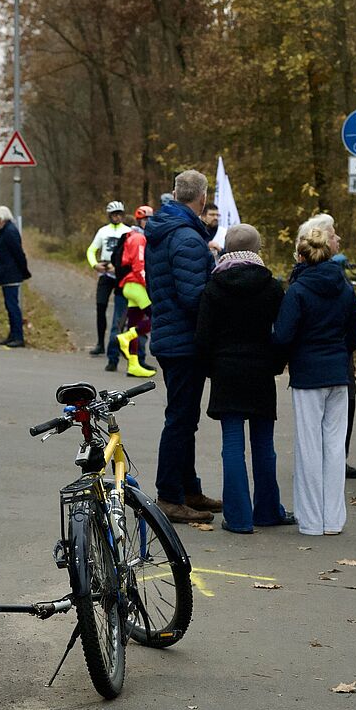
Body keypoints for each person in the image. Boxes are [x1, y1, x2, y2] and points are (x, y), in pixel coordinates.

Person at [195, 223, 293, 532]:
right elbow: (283, 333)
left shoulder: (213, 287)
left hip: (226, 370)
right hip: (260, 369)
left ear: (226, 249)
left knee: (232, 444)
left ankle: (238, 517)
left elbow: (203, 337)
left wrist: (212, 368)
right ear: (257, 250)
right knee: (264, 444)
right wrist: (276, 364)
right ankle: (268, 510)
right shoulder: (272, 287)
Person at [273, 226, 356, 535]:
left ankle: (312, 520)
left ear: (301, 257)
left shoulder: (298, 291)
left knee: (309, 447)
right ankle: (333, 520)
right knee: (335, 447)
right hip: (338, 373)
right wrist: (339, 351)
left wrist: (291, 355)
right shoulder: (344, 287)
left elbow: (283, 335)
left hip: (307, 375)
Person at [145, 170, 222, 523]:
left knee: (185, 418)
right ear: (202, 199)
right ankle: (169, 496)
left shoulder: (164, 231)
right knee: (180, 419)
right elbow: (194, 297)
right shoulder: (187, 238)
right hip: (183, 341)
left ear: (175, 195)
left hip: (169, 333)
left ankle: (189, 489)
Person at [295, 213, 356, 480]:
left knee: (326, 417)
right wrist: (342, 347)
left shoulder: (303, 282)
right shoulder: (335, 281)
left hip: (316, 360)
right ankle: (332, 463)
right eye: (333, 235)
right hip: (336, 357)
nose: (338, 239)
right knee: (336, 413)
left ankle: (324, 466)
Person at [86, 201, 133, 368]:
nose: (117, 217)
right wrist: (95, 264)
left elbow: (131, 253)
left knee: (122, 310)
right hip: (105, 272)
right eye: (114, 215)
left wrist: (119, 266)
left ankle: (121, 343)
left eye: (119, 214)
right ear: (109, 216)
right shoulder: (103, 231)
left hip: (120, 273)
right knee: (101, 306)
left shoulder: (128, 231)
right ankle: (100, 343)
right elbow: (91, 250)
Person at [112, 205, 156, 378]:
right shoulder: (138, 238)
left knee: (134, 321)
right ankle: (126, 337)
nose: (149, 222)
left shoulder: (133, 235)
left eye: (151, 219)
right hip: (136, 285)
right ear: (139, 221)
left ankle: (133, 365)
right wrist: (148, 285)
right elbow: (139, 266)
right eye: (146, 219)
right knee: (156, 317)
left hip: (130, 285)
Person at [0, 205, 31, 348]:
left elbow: (18, 253)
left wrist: (23, 271)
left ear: (2, 219)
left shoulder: (9, 232)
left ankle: (18, 336)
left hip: (11, 274)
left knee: (13, 306)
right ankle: (13, 334)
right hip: (7, 274)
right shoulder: (6, 231)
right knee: (9, 305)